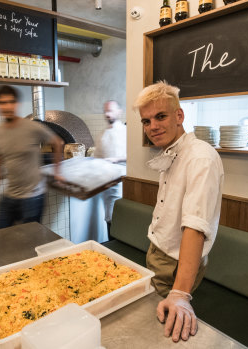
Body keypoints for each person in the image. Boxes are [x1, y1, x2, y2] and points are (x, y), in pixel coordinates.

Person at [133, 81, 224, 343]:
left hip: (174, 263)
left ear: (179, 116)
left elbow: (195, 226)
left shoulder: (200, 158)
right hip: (159, 252)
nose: (153, 127)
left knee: (160, 329)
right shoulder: (173, 152)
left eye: (160, 116)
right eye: (146, 121)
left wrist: (181, 294)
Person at [0, 85, 63, 229]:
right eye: (3, 103)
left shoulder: (31, 127)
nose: (7, 106)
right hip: (11, 194)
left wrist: (58, 173)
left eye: (11, 102)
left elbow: (58, 143)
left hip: (33, 196)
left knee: (29, 240)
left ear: (17, 104)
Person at [94, 100, 127, 234]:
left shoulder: (125, 132)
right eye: (106, 111)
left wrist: (116, 159)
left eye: (111, 110)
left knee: (120, 218)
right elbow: (96, 157)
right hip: (106, 182)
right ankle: (111, 244)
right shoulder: (102, 134)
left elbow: (134, 156)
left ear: (119, 112)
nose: (108, 114)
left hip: (122, 181)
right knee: (109, 217)